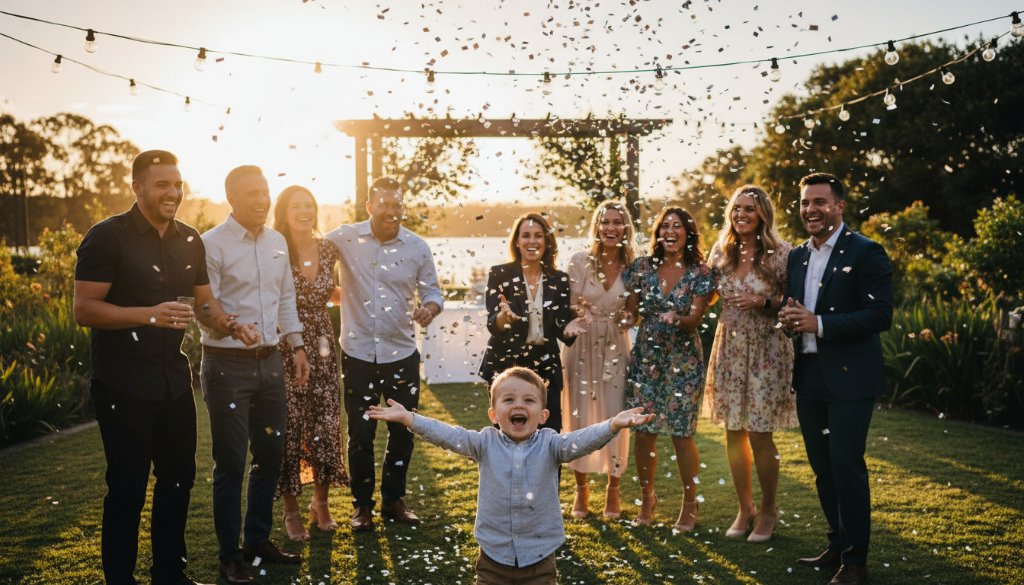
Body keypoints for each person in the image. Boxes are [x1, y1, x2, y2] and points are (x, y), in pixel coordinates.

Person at [74, 149, 238, 585]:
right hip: (122, 384)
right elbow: (84, 309)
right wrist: (148, 314)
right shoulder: (106, 237)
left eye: (178, 184)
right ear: (138, 188)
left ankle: (170, 575)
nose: (173, 192)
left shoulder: (190, 239)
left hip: (173, 383)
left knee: (178, 482)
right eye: (162, 184)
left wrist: (228, 323)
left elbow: (203, 301)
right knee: (127, 490)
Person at [366, 366, 654, 585]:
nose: (519, 405)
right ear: (494, 413)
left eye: (529, 400)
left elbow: (581, 440)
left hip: (540, 561)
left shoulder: (552, 444)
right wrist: (410, 419)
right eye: (509, 399)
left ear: (542, 415)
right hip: (493, 559)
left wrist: (612, 425)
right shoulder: (483, 443)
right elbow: (448, 435)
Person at [779, 173, 893, 585]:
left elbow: (880, 315)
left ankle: (856, 562)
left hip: (850, 381)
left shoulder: (866, 251)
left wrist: (819, 323)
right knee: (822, 468)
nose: (811, 209)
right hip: (809, 377)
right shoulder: (797, 256)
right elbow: (801, 309)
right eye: (806, 202)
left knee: (846, 465)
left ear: (839, 207)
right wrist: (791, 319)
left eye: (820, 202)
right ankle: (836, 542)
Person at [200, 165, 311, 584]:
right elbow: (203, 306)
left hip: (271, 363)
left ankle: (258, 541)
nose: (263, 201)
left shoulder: (278, 241)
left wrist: (296, 346)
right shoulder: (211, 245)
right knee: (230, 462)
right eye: (252, 195)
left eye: (265, 193)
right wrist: (231, 325)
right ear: (232, 198)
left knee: (271, 457)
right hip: (226, 365)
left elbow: (285, 301)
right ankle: (231, 556)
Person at [325, 176, 444, 532]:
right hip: (357, 353)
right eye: (385, 204)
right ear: (370, 206)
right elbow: (308, 249)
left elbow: (434, 292)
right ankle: (362, 507)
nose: (391, 211)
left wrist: (431, 308)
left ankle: (393, 501)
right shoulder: (345, 237)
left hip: (402, 353)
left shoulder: (417, 246)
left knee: (403, 432)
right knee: (360, 435)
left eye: (397, 205)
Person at [704, 186, 795, 543]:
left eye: (749, 209)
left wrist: (762, 300)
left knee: (759, 432)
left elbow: (793, 300)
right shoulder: (721, 252)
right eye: (736, 208)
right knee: (733, 431)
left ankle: (769, 510)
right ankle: (745, 508)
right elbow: (706, 294)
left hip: (766, 348)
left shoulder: (781, 253)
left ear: (762, 214)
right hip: (729, 348)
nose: (741, 214)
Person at [624, 206, 715, 531]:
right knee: (644, 432)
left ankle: (689, 504)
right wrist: (607, 318)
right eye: (665, 226)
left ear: (688, 233)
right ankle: (647, 498)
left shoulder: (700, 273)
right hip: (647, 359)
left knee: (681, 433)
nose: (670, 232)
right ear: (657, 233)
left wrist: (678, 318)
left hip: (683, 361)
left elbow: (694, 320)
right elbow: (630, 315)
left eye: (677, 226)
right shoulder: (641, 268)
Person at [271, 185, 349, 541]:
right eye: (296, 206)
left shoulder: (329, 248)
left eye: (309, 205)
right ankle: (290, 511)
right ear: (283, 211)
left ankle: (321, 503)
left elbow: (330, 292)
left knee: (326, 420)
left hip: (322, 344)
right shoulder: (273, 248)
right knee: (290, 426)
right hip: (285, 343)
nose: (305, 211)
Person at [561, 200, 637, 520]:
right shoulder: (579, 261)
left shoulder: (635, 266)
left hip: (616, 346)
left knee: (615, 415)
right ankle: (581, 491)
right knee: (580, 416)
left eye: (617, 222)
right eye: (605, 222)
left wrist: (627, 319)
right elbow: (567, 303)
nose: (611, 228)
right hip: (582, 342)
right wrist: (583, 311)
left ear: (626, 228)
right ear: (596, 226)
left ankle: (613, 492)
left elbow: (634, 310)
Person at [479, 213, 577, 433]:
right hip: (506, 366)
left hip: (546, 371)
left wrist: (571, 328)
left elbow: (562, 331)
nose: (532, 241)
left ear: (547, 241)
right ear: (517, 241)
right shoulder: (500, 274)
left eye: (538, 236)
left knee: (549, 437)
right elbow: (493, 323)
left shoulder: (559, 279)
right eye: (526, 235)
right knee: (505, 437)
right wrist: (503, 317)